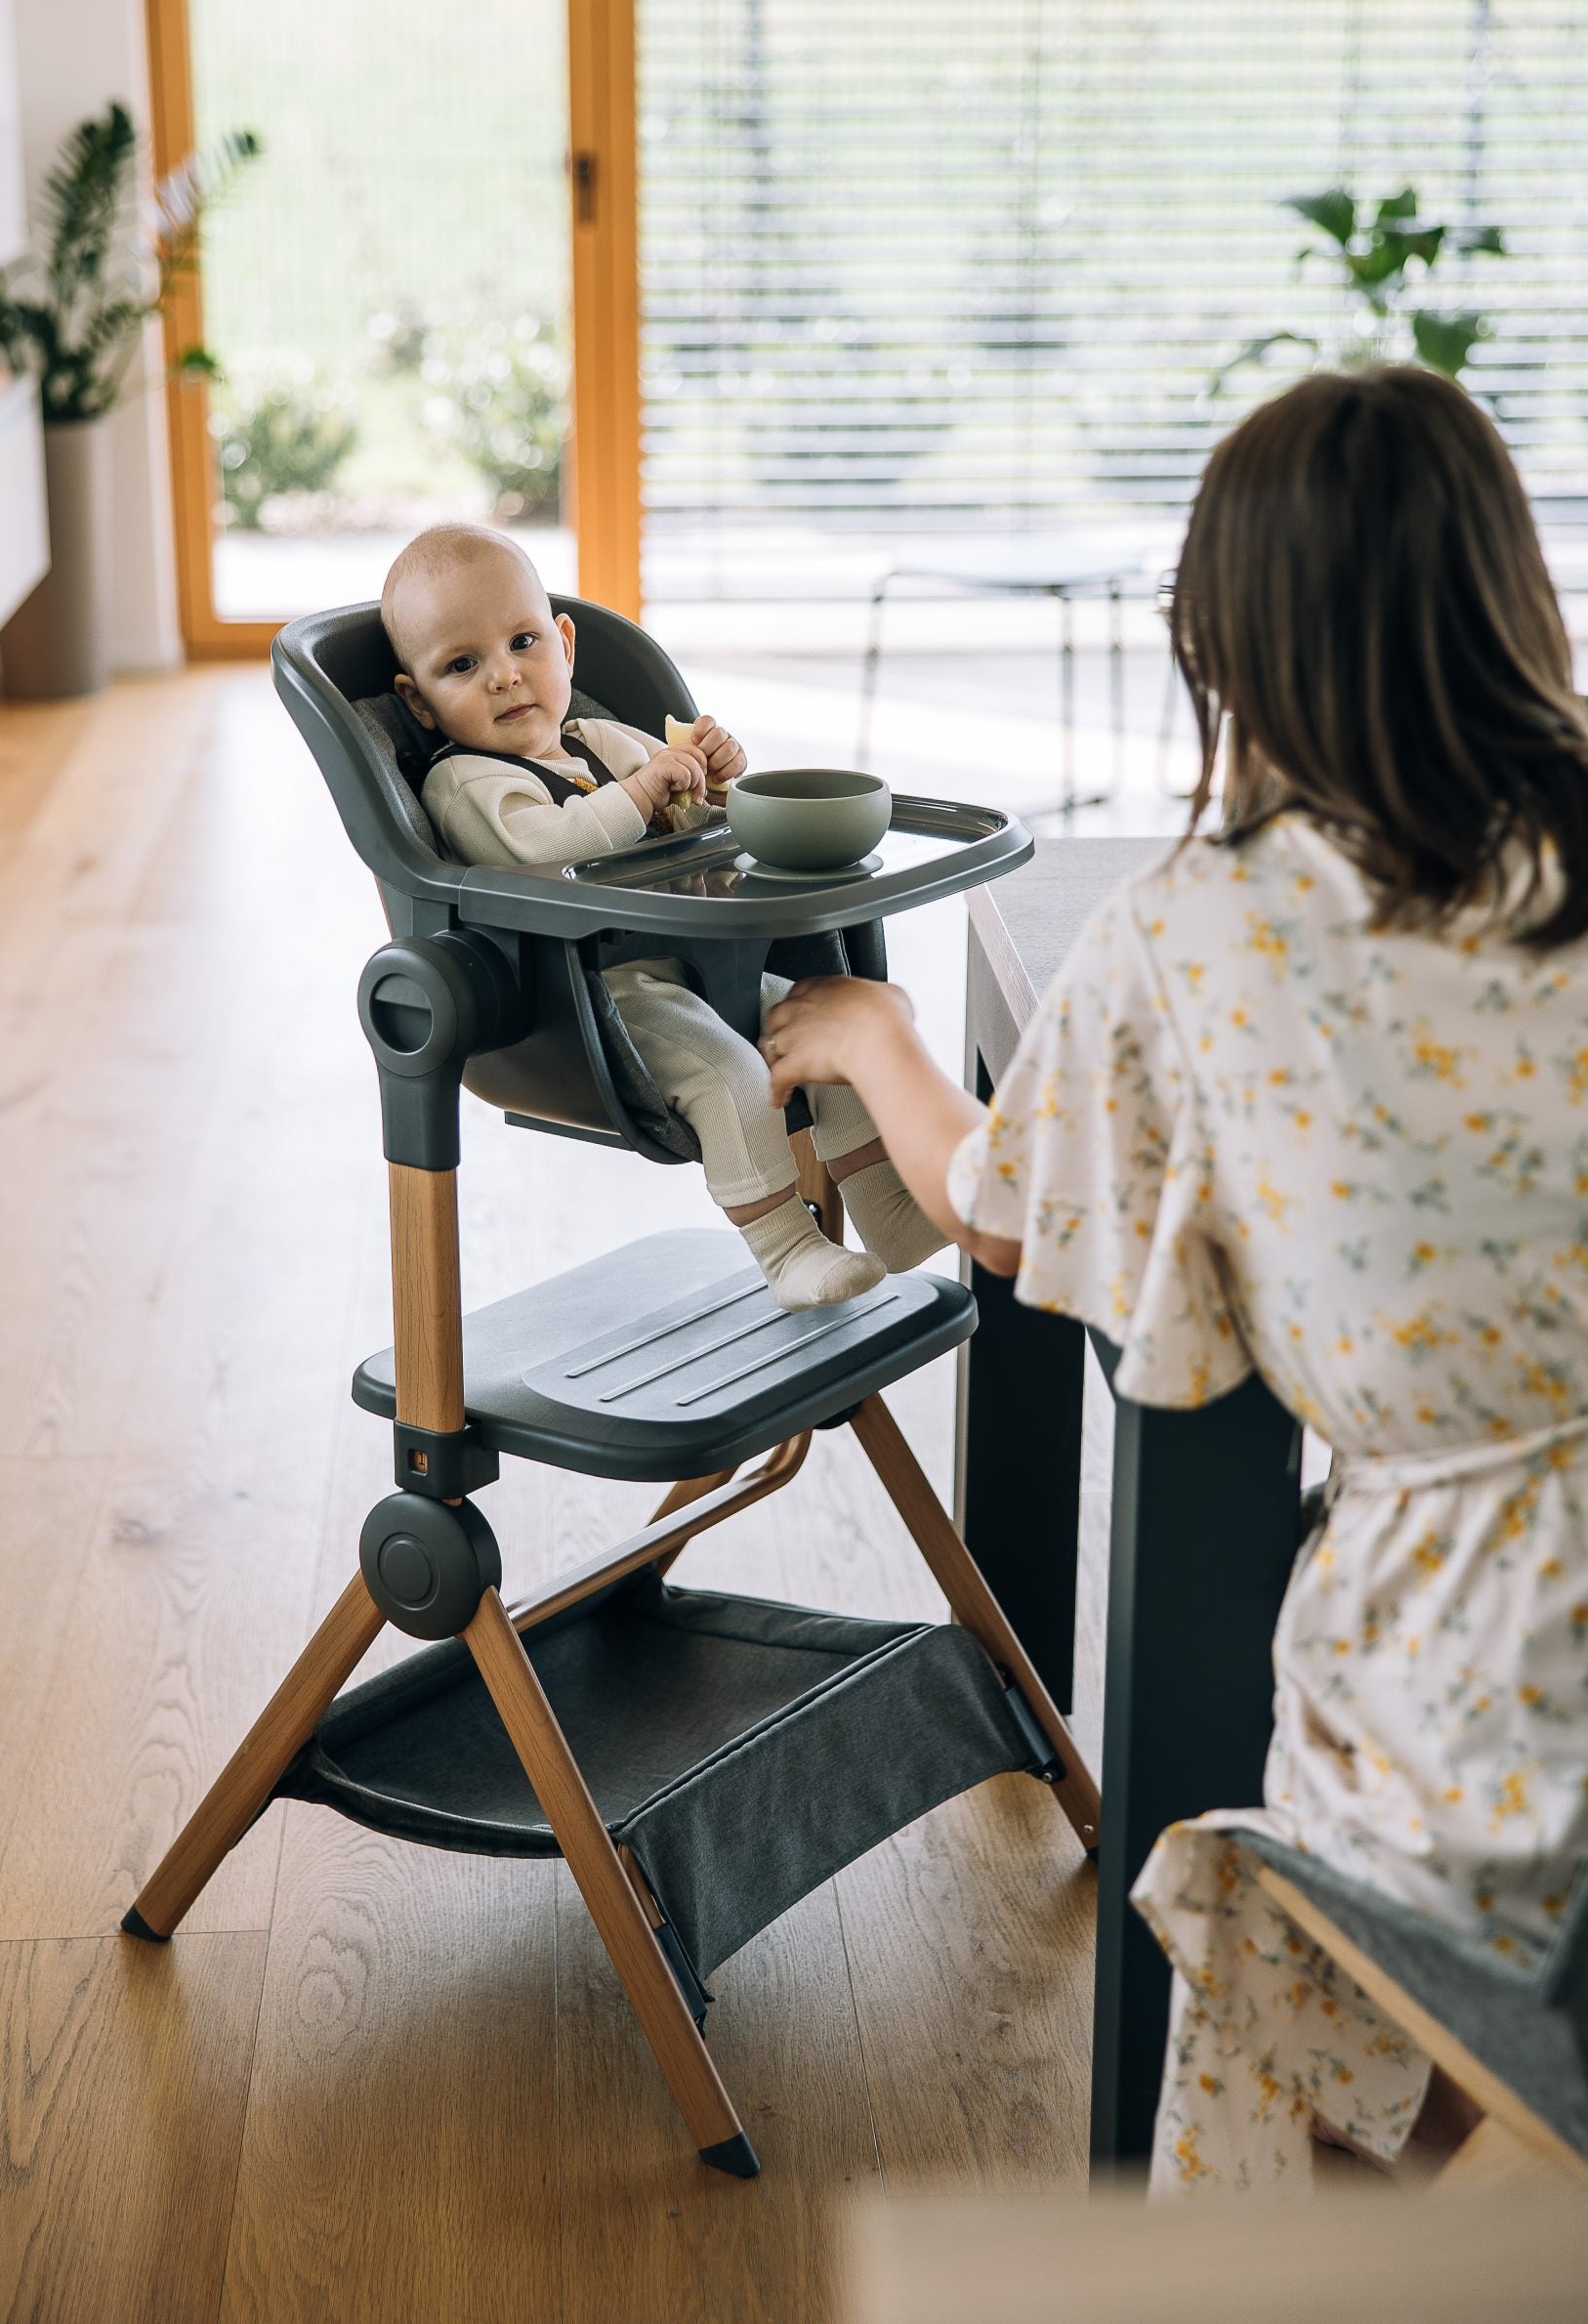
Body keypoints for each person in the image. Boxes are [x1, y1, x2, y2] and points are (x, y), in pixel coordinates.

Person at [760, 364, 1588, 2197]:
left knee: (1347, 2051)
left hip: (1480, 1665)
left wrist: (882, 1032)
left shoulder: (1200, 931)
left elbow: (999, 1211)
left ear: (1228, 645)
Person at [381, 522, 943, 1310]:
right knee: (732, 1070)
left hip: (698, 969)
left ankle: (890, 1207)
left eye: (522, 641)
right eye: (463, 664)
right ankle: (785, 1251)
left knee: (823, 1030)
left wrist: (713, 781)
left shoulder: (604, 740)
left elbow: (692, 827)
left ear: (565, 646)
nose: (505, 676)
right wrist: (642, 793)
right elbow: (544, 849)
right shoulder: (467, 781)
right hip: (590, 1001)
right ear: (420, 701)